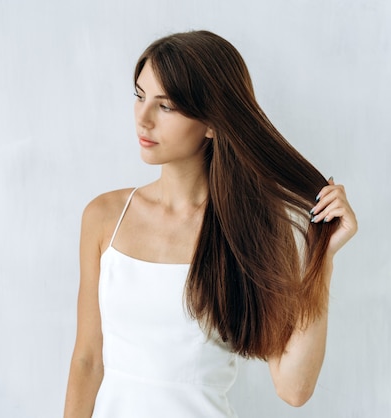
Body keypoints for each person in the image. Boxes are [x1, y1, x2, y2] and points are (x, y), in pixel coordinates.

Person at [64, 30, 357, 418]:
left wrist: (324, 258)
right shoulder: (104, 217)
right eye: (139, 96)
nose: (143, 118)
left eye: (165, 106)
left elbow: (293, 388)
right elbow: (88, 360)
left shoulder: (252, 232)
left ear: (213, 124)